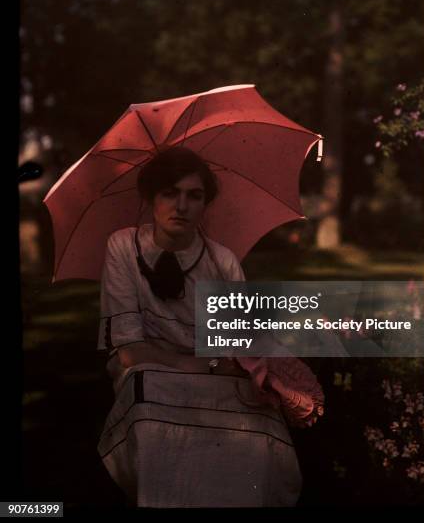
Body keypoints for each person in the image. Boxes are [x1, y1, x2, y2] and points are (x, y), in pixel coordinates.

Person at [96, 145, 315, 508]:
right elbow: (131, 351)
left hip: (213, 374)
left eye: (193, 196)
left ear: (204, 203)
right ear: (151, 197)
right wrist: (208, 364)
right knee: (151, 405)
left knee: (254, 422)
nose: (181, 206)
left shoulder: (222, 261)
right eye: (170, 193)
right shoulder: (123, 246)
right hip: (153, 371)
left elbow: (237, 346)